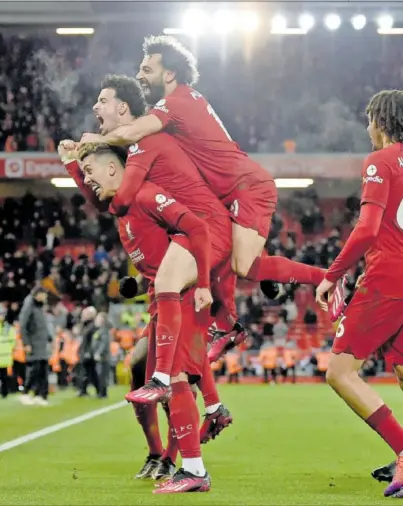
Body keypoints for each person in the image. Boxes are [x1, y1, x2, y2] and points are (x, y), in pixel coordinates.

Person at [79, 36, 342, 323]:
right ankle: (232, 321)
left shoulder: (173, 104)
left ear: (169, 74)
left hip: (245, 187)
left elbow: (131, 135)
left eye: (147, 69)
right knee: (230, 255)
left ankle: (327, 278)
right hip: (229, 192)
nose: (140, 75)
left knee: (243, 265)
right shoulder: (186, 100)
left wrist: (95, 139)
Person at [63, 142, 223, 491]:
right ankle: (165, 451)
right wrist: (73, 167)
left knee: (173, 378)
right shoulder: (122, 207)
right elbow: (102, 203)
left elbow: (198, 230)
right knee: (140, 368)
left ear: (112, 169)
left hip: (180, 295)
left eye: (91, 171)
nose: (88, 180)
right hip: (157, 297)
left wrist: (204, 286)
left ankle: (186, 463)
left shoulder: (148, 195)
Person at [315, 89, 403, 499]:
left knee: (340, 371)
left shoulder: (381, 162)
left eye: (369, 119)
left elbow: (367, 229)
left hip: (388, 277)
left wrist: (334, 274)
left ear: (381, 121)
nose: (367, 128)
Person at [18, 286, 52, 406]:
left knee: (42, 370)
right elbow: (22, 325)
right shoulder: (29, 305)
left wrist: (49, 337)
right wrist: (26, 343)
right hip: (33, 343)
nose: (45, 297)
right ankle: (25, 393)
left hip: (42, 343)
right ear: (37, 294)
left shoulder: (39, 306)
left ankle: (40, 395)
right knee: (33, 370)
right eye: (44, 295)